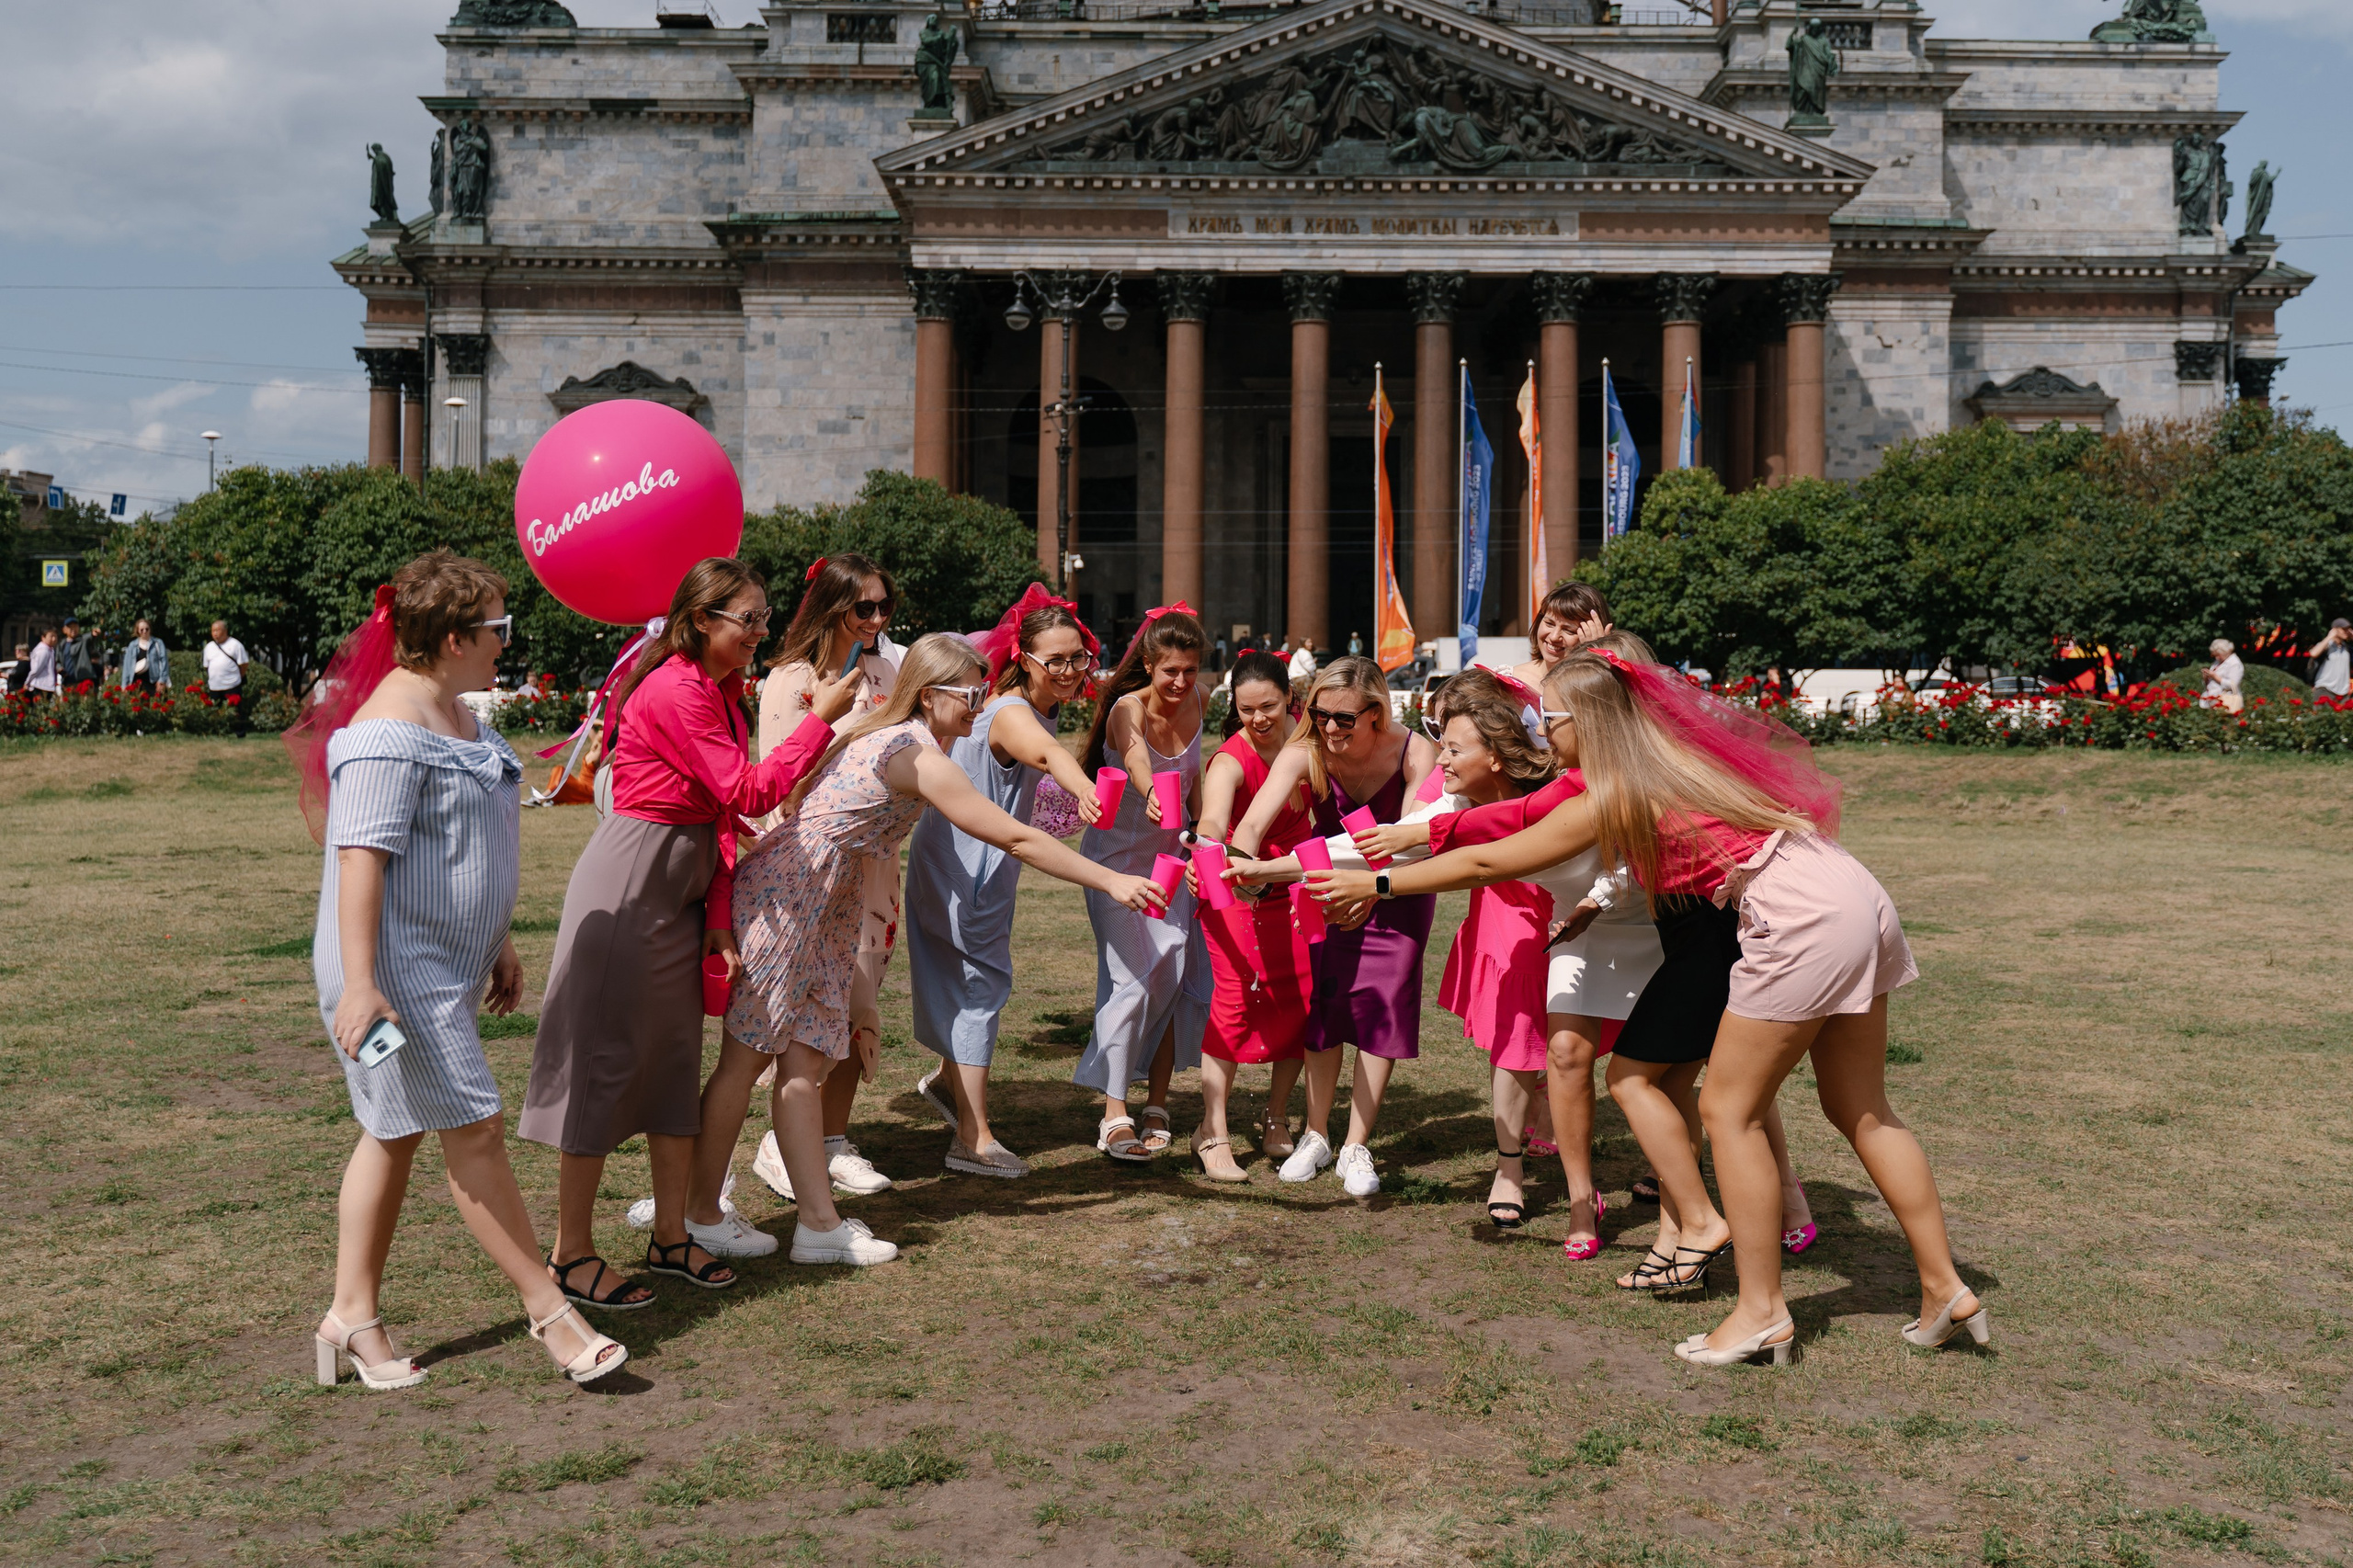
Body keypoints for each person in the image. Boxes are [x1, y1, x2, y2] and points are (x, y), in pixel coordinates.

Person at [1309, 650, 1977, 1368]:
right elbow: (1503, 824)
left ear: (1584, 723)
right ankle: (1945, 1289)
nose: (1544, 733)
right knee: (1862, 1107)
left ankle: (1759, 1311)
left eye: (1551, 719)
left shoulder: (1614, 790)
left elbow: (1491, 861)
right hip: (1848, 888)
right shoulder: (1670, 760)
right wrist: (1405, 843)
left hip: (1795, 915)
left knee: (1729, 1111)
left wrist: (1378, 885)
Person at [687, 633, 1165, 1262]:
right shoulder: (915, 754)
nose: (979, 707)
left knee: (803, 1063)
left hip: (825, 901)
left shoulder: (900, 739)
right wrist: (1110, 879)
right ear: (931, 693)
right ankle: (699, 1213)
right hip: (792, 898)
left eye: (983, 692)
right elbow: (1015, 839)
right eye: (970, 695)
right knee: (747, 1060)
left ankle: (818, 1225)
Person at [297, 551, 628, 1389]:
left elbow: (465, 849)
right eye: (496, 628)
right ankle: (552, 1315)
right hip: (394, 976)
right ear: (452, 638)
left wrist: (498, 942)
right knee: (474, 1129)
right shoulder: (384, 733)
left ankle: (349, 1315)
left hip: (441, 965)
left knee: (394, 1129)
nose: (506, 642)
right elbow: (361, 860)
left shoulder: (459, 717)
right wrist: (365, 985)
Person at [521, 558, 858, 1308]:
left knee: (673, 1067)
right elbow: (747, 790)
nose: (761, 632)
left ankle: (672, 1235)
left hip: (681, 890)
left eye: (766, 619)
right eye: (749, 619)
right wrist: (820, 721)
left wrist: (714, 920)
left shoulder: (721, 688)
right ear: (702, 620)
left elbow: (719, 816)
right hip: (631, 886)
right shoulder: (676, 689)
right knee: (604, 1068)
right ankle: (570, 1254)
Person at [904, 585, 1106, 1177]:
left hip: (965, 863)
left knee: (970, 984)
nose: (1070, 671)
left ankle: (948, 1084)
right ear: (1024, 657)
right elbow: (1046, 755)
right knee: (979, 991)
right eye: (1056, 660)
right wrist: (1086, 789)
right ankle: (973, 1138)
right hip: (969, 871)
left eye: (1078, 658)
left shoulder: (1023, 702)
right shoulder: (1014, 712)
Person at [1230, 655, 1438, 1197]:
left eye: (1343, 719)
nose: (1329, 728)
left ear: (1376, 712)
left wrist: (1371, 893)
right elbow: (1253, 821)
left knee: (1382, 1009)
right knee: (1325, 1006)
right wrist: (1237, 867)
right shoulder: (1308, 751)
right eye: (1320, 715)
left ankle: (1356, 1144)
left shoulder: (1417, 752)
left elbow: (1416, 838)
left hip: (1398, 892)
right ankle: (1316, 1135)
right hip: (1324, 889)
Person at [745, 552, 907, 1201]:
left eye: (883, 607)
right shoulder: (790, 679)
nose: (873, 619)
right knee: (799, 1009)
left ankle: (832, 1139)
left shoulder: (888, 669)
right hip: (809, 863)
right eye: (861, 607)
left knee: (857, 1001)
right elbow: (784, 776)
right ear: (829, 608)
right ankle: (784, 1143)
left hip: (876, 864)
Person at [1075, 605, 1212, 1160]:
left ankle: (1157, 1102)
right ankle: (1113, 1112)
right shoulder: (1125, 710)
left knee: (1175, 974)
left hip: (1172, 862)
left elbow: (1197, 775)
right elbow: (1135, 752)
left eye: (1190, 671)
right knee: (1132, 980)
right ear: (1149, 666)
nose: (1180, 683)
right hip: (1114, 865)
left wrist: (1203, 838)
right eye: (1169, 672)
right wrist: (1152, 789)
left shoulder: (1199, 702)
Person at [1189, 649, 1314, 1180]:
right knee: (1235, 999)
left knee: (1298, 1001)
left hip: (1298, 887)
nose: (1258, 719)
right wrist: (1209, 851)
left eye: (1268, 706)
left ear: (1290, 699)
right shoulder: (1231, 760)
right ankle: (1211, 1129)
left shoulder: (1312, 740)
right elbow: (1215, 819)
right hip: (1236, 889)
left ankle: (1277, 1116)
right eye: (1246, 710)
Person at [1507, 582, 1613, 692]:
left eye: (1569, 630)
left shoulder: (1605, 689)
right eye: (1549, 624)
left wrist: (1594, 659)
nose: (1554, 637)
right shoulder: (1509, 680)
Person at [204, 620, 251, 732]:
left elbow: (244, 664)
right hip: (214, 686)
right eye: (213, 631)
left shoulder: (235, 645)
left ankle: (238, 730)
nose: (215, 633)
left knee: (235, 710)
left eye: (217, 630)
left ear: (225, 631)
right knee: (215, 710)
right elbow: (206, 666)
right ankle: (218, 730)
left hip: (232, 684)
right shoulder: (209, 647)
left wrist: (239, 676)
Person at [119, 619, 170, 692]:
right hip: (137, 683)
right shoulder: (132, 646)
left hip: (154, 682)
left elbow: (164, 662)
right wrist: (124, 685)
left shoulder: (158, 643)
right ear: (138, 631)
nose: (145, 631)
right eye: (142, 630)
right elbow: (127, 666)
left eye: (147, 629)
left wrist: (162, 680)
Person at [2310, 619, 2350, 699]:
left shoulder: (2346, 648)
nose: (2346, 631)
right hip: (2325, 690)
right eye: (2343, 629)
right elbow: (2313, 653)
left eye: (2348, 629)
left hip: (2344, 693)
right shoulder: (2327, 645)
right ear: (2334, 630)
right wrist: (2329, 637)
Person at [2204, 638, 2245, 714]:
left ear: (2225, 652)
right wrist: (2206, 677)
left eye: (2218, 655)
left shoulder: (2234, 663)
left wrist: (2215, 677)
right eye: (2215, 655)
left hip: (2227, 703)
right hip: (2213, 701)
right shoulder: (2218, 662)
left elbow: (2233, 685)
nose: (2216, 657)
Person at [57, 616, 98, 689]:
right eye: (70, 627)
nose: (73, 629)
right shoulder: (62, 644)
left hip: (82, 680)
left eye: (75, 626)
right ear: (64, 630)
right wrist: (59, 668)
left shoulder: (83, 640)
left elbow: (89, 637)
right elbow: (57, 661)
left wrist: (93, 634)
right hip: (67, 680)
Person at [24, 629, 61, 698]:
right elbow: (36, 669)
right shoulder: (43, 651)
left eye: (55, 636)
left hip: (45, 685)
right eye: (51, 636)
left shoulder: (49, 650)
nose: (54, 639)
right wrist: (27, 682)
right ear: (43, 637)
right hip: (40, 685)